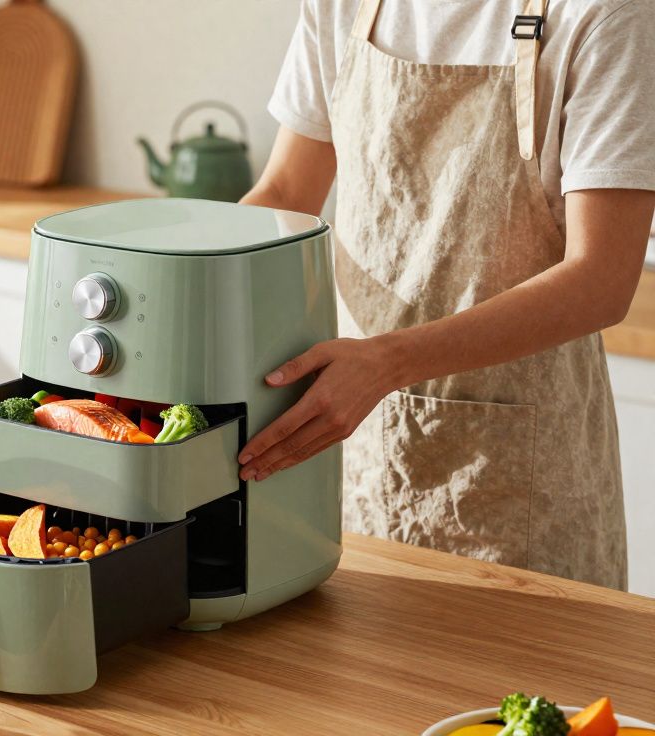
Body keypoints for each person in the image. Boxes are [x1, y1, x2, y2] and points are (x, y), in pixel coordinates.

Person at [237, 0, 655, 588]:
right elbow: (285, 191)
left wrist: (385, 363)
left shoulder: (605, 13)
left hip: (525, 485)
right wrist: (175, 284)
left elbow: (601, 280)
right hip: (358, 446)